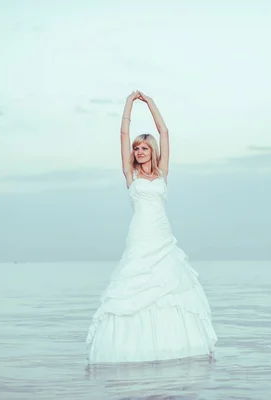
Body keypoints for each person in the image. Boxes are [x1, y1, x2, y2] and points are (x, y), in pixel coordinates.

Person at [86, 90, 218, 364]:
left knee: (168, 284)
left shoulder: (162, 173)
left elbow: (165, 132)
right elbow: (123, 136)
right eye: (137, 148)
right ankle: (131, 349)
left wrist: (151, 103)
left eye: (144, 148)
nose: (139, 151)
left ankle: (170, 346)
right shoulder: (130, 174)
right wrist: (128, 105)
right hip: (139, 235)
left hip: (162, 235)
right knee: (137, 282)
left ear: (152, 151)